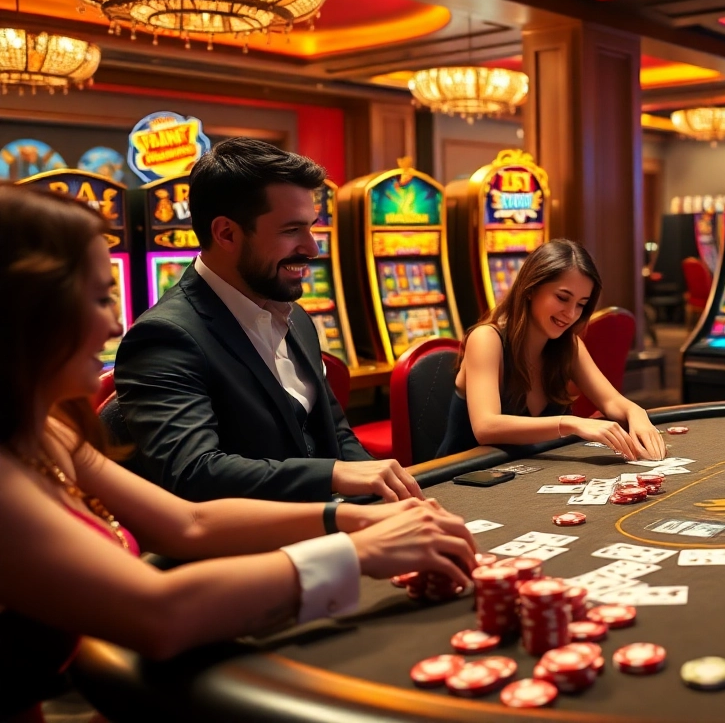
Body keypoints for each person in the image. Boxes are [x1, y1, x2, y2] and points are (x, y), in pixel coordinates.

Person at [0, 185, 479, 721]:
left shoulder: (48, 431)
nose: (116, 324)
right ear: (24, 310)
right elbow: (160, 614)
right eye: (97, 298)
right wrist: (358, 554)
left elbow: (190, 523)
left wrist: (351, 520)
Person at [114, 138, 422, 502]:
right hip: (255, 534)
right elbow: (193, 471)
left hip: (332, 519)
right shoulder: (164, 337)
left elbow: (336, 434)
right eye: (291, 231)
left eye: (311, 228)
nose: (312, 248)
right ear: (226, 233)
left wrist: (388, 498)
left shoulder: (297, 318)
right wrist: (332, 476)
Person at [435, 239, 666, 461]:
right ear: (530, 289)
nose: (571, 313)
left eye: (581, 304)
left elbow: (612, 401)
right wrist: (572, 424)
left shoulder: (568, 345)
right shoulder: (486, 339)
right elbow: (486, 427)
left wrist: (636, 413)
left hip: (523, 471)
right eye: (562, 298)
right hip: (461, 477)